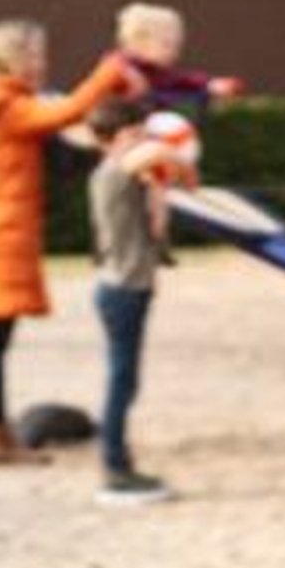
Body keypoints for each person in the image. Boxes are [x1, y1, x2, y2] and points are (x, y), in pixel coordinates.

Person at [0, 19, 138, 464]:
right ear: (9, 57)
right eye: (33, 55)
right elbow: (67, 114)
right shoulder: (2, 104)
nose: (40, 64)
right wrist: (111, 72)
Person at [82, 96, 184, 506]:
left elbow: (155, 230)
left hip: (130, 288)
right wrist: (183, 167)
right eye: (135, 133)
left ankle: (120, 462)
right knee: (121, 381)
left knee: (126, 380)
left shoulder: (125, 174)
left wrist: (160, 193)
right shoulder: (112, 171)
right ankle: (114, 470)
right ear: (116, 138)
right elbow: (161, 150)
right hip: (121, 290)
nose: (144, 140)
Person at [114, 2, 241, 115]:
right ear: (140, 42)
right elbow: (157, 99)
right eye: (167, 45)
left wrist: (208, 84)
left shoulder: (151, 69)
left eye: (176, 45)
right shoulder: (120, 70)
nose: (174, 52)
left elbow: (178, 79)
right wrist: (205, 93)